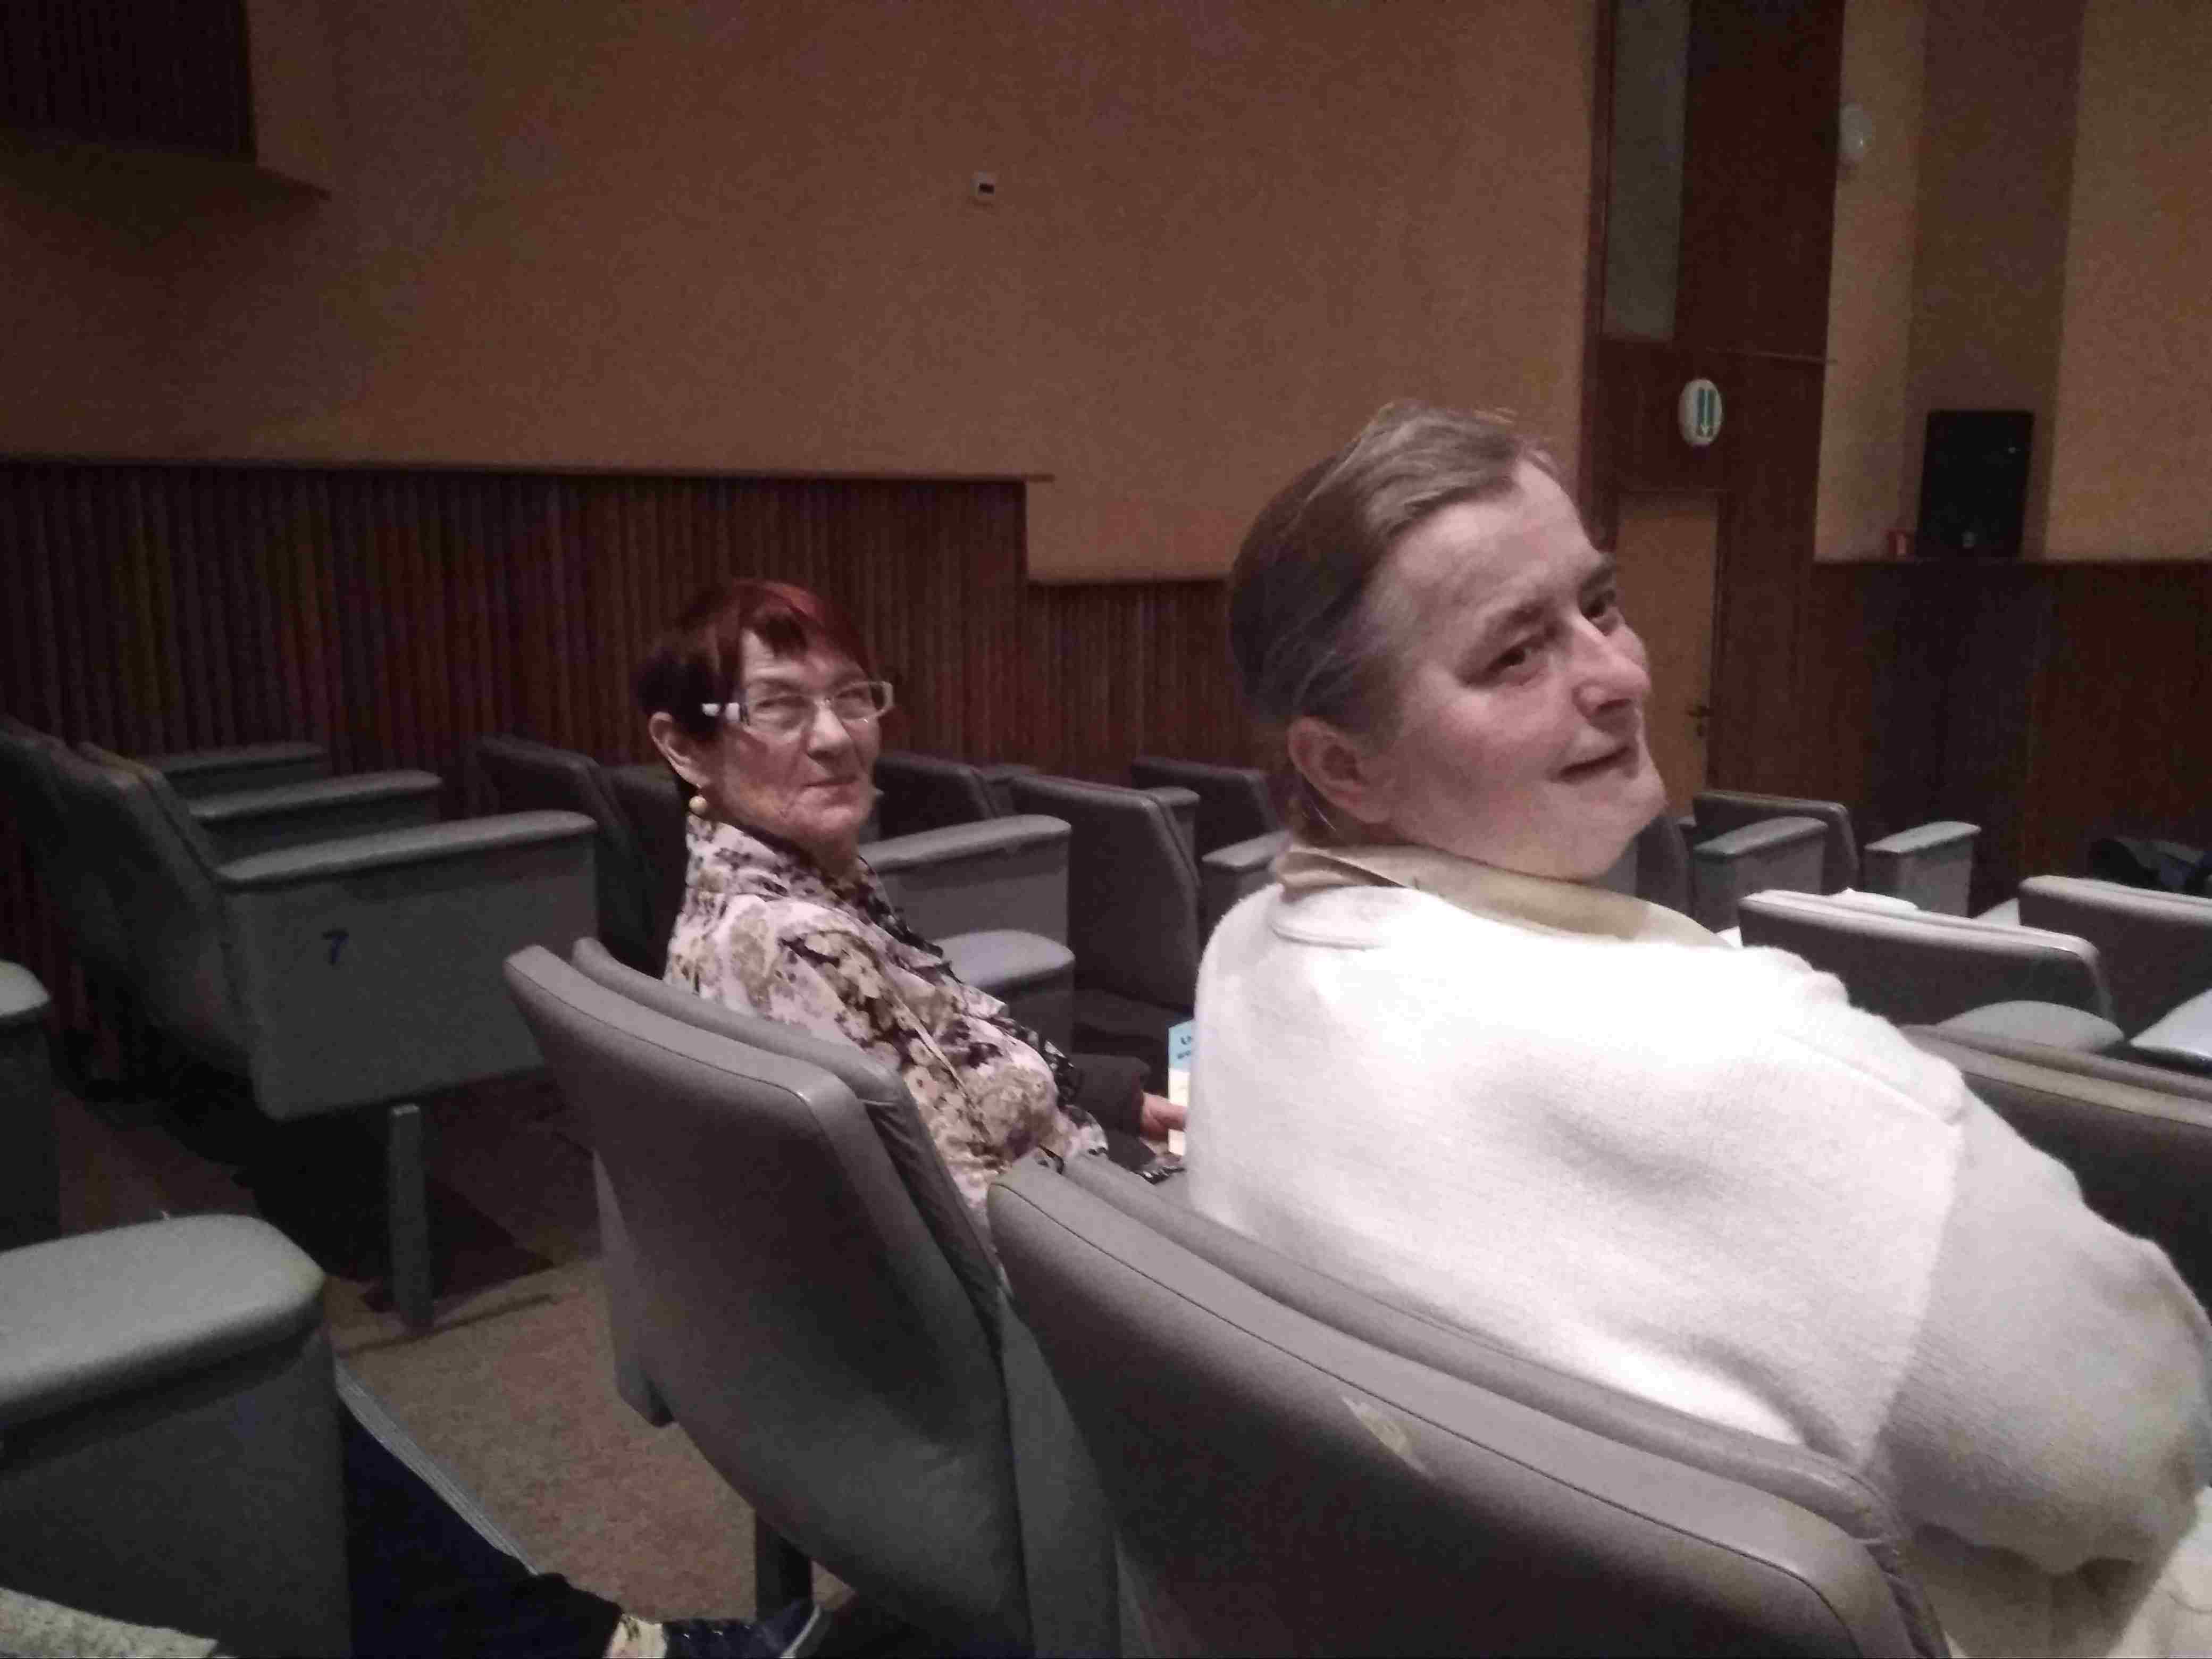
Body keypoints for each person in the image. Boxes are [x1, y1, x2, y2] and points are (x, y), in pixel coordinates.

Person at [1186, 400, 2212, 1657]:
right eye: (1514, 656)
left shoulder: (1243, 960)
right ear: (1345, 768)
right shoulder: (1742, 1058)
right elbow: (2134, 1446)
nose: (1620, 675)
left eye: (1599, 604)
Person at [639, 577, 1183, 1233]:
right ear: (684, 747)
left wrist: (1110, 1098)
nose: (835, 737)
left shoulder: (800, 878)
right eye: (777, 705)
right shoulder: (787, 942)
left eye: (851, 696)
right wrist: (1168, 1212)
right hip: (1086, 1240)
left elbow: (944, 1042)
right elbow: (977, 1240)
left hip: (1072, 1161)